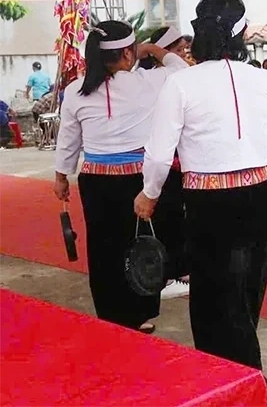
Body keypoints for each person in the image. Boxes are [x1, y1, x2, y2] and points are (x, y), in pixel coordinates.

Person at [134, 0, 267, 379]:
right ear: (241, 33)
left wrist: (149, 194)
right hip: (261, 190)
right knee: (249, 286)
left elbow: (159, 154)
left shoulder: (182, 83)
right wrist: (252, 145)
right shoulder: (263, 78)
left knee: (213, 290)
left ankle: (237, 375)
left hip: (210, 197)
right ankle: (241, 369)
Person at [54, 20, 188, 333]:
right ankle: (138, 313)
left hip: (95, 179)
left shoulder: (76, 89)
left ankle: (111, 318)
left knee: (104, 249)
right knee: (141, 243)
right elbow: (181, 68)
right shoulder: (149, 82)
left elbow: (68, 139)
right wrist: (153, 49)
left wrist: (61, 177)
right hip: (137, 179)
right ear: (128, 54)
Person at [138, 26, 196, 299]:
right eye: (178, 49)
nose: (183, 55)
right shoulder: (156, 77)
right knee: (167, 215)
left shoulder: (163, 75)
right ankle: (170, 271)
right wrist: (152, 50)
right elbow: (179, 67)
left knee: (177, 215)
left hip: (173, 156)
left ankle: (179, 267)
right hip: (160, 156)